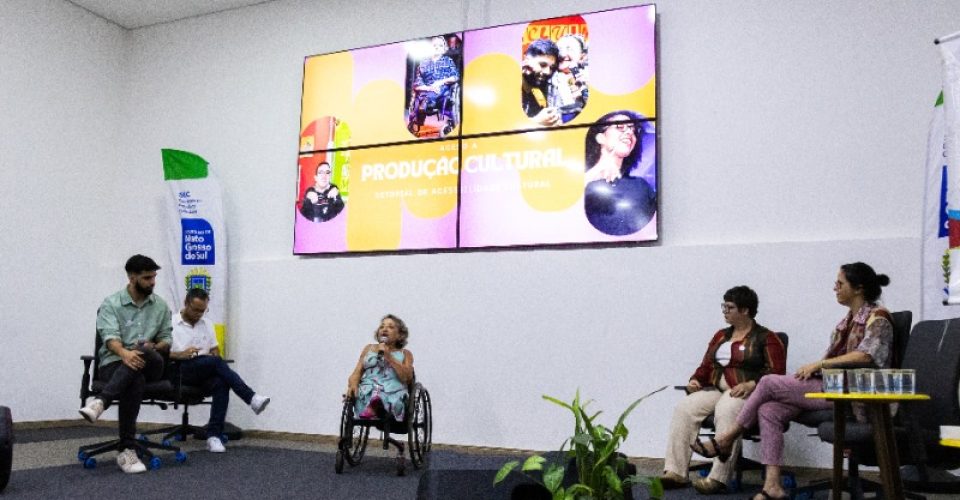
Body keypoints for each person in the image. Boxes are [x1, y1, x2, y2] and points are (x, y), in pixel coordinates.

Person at [691, 263, 893, 500]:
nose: (834, 288)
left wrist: (818, 365)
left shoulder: (878, 318)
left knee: (767, 383)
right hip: (832, 385)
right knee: (769, 409)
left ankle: (725, 439)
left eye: (840, 283)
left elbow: (866, 355)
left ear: (858, 288)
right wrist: (815, 370)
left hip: (856, 392)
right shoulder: (846, 321)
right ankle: (772, 486)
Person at [660, 286, 786, 494]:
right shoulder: (721, 336)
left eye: (730, 307)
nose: (724, 311)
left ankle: (718, 477)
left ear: (745, 310)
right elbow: (706, 365)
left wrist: (751, 384)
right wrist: (695, 380)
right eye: (724, 306)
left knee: (728, 409)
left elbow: (777, 373)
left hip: (746, 393)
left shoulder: (767, 338)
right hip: (716, 389)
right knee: (684, 408)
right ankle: (675, 472)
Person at [79, 254, 173, 474]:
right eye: (147, 278)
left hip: (153, 364)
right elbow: (109, 338)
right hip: (115, 363)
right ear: (132, 278)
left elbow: (167, 339)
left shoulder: (160, 306)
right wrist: (124, 353)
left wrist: (153, 347)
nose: (153, 282)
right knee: (134, 378)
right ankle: (127, 450)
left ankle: (101, 401)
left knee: (143, 351)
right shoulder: (111, 304)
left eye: (154, 277)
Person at [168, 288, 270, 453]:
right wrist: (181, 354)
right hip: (179, 369)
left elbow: (215, 350)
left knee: (221, 382)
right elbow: (161, 353)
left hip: (203, 369)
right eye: (196, 310)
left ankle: (213, 436)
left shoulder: (207, 324)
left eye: (203, 311)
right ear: (186, 303)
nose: (199, 314)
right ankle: (251, 398)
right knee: (216, 362)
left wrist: (212, 355)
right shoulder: (170, 323)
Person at [582, 110, 656, 235]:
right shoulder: (582, 181)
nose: (629, 132)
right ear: (601, 137)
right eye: (620, 127)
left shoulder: (641, 186)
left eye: (633, 130)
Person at [410, 36, 460, 130]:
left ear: (444, 49)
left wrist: (440, 82)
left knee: (437, 91)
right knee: (419, 93)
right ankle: (420, 114)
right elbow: (418, 80)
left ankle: (427, 102)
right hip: (425, 88)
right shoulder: (423, 63)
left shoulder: (448, 61)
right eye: (434, 45)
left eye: (440, 46)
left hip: (442, 90)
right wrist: (426, 87)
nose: (437, 47)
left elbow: (455, 76)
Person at [521, 38, 561, 127]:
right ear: (526, 59)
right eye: (543, 65)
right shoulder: (509, 83)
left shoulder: (546, 87)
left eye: (552, 68)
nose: (548, 72)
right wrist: (536, 122)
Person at [550, 34, 589, 122]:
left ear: (582, 56)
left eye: (569, 49)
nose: (562, 54)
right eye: (559, 49)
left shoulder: (591, 79)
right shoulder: (546, 79)